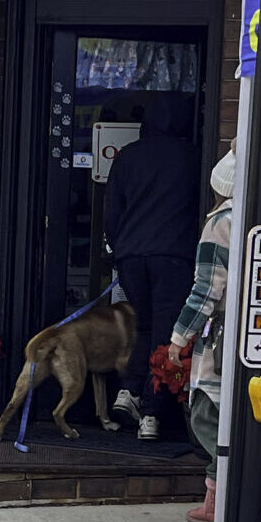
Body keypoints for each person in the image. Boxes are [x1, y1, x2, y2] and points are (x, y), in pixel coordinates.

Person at [167, 149, 261, 522]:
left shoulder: (220, 223)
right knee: (231, 415)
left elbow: (206, 288)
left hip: (221, 336)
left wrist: (179, 337)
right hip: (258, 335)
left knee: (208, 416)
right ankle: (215, 504)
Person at [102, 96, 200, 440]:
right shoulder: (192, 157)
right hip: (174, 256)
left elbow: (111, 211)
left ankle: (129, 391)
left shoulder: (129, 156)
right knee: (166, 334)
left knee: (143, 327)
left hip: (132, 256)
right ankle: (151, 414)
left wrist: (119, 248)